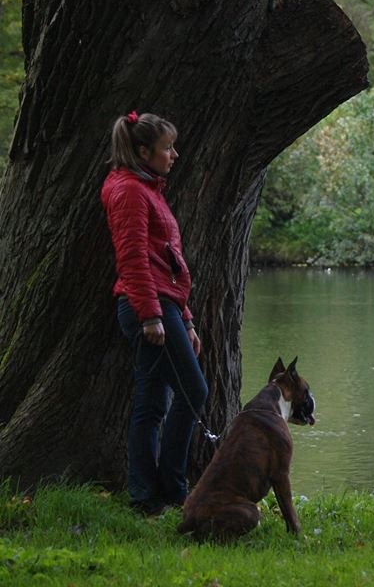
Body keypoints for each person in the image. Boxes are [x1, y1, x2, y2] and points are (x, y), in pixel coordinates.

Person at [101, 111, 208, 516]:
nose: (174, 155)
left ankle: (147, 498)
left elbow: (168, 262)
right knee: (193, 392)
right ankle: (171, 490)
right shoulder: (128, 190)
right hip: (148, 307)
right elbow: (132, 259)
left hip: (165, 308)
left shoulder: (146, 188)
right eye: (167, 148)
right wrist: (151, 316)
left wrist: (187, 318)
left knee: (152, 402)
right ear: (144, 151)